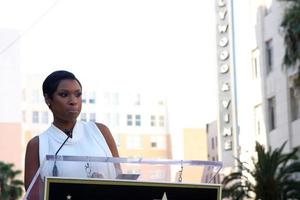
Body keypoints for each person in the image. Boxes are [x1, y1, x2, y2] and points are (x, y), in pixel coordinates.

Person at [24, 70, 119, 191]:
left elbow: (120, 179)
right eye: (64, 95)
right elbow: (34, 196)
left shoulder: (101, 132)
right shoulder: (37, 145)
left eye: (78, 94)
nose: (73, 101)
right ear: (48, 99)